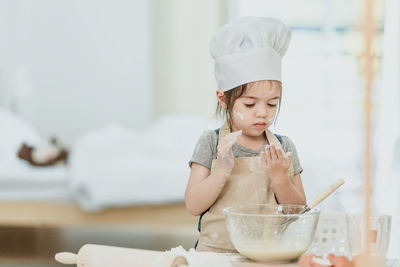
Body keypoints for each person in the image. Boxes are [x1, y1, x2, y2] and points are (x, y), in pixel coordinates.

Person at [185, 17, 306, 253]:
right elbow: (193, 204)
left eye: (272, 104)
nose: (263, 113)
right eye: (250, 104)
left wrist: (280, 176)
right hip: (214, 255)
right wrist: (221, 171)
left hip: (266, 254)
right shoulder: (211, 142)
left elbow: (298, 211)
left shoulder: (283, 146)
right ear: (223, 99)